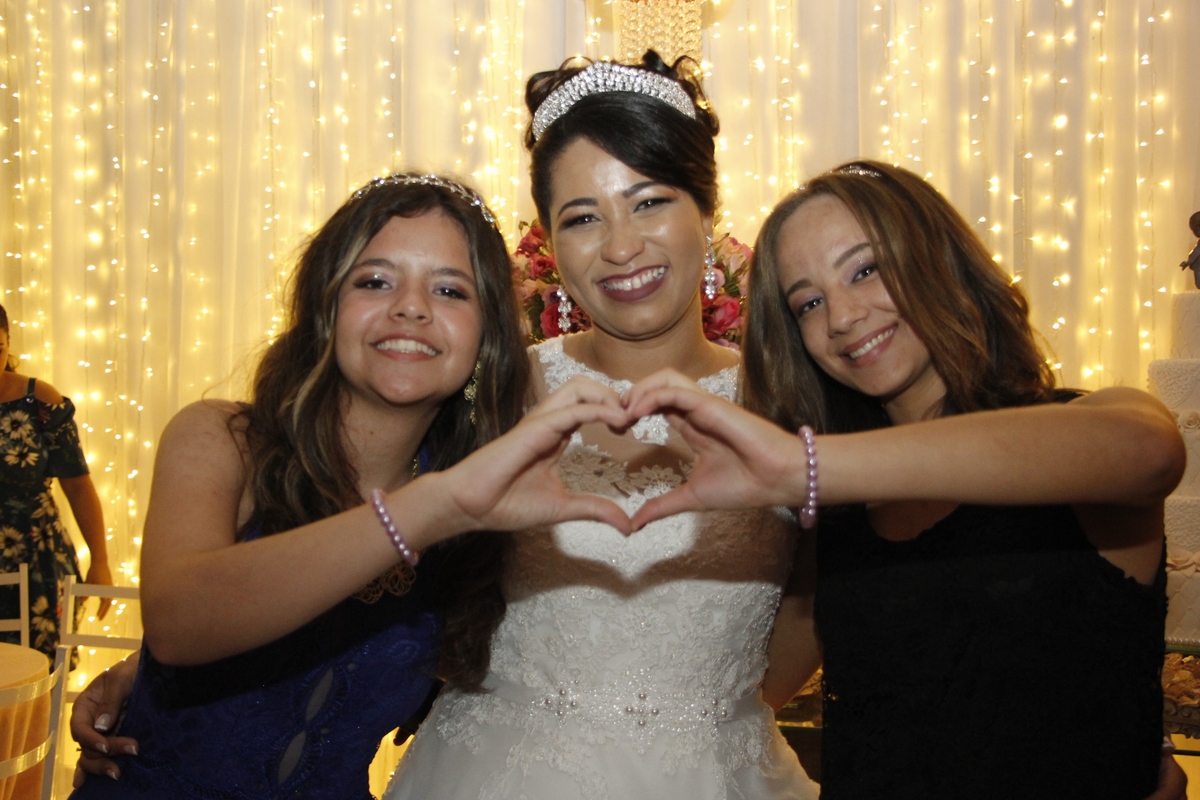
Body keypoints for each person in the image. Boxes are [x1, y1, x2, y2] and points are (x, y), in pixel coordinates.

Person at [622, 160, 1185, 799]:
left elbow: (1153, 452)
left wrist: (800, 467)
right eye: (809, 302)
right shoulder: (841, 519)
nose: (841, 317)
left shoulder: (1084, 430)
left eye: (865, 269)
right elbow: (743, 693)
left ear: (939, 259)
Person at [67, 173, 631, 799]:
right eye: (375, 281)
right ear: (325, 307)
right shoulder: (222, 441)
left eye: (449, 289)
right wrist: (431, 507)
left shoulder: (487, 515)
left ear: (486, 339)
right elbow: (178, 625)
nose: (411, 307)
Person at [384, 54, 818, 800]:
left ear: (705, 212)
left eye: (649, 202)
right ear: (551, 241)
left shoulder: (787, 399)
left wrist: (695, 727)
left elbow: (817, 601)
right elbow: (373, 532)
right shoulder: (496, 385)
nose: (621, 247)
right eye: (583, 217)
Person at [0, 303, 112, 659]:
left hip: (35, 559)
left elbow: (78, 485)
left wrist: (101, 561)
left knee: (34, 677)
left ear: (9, 343)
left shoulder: (39, 400)